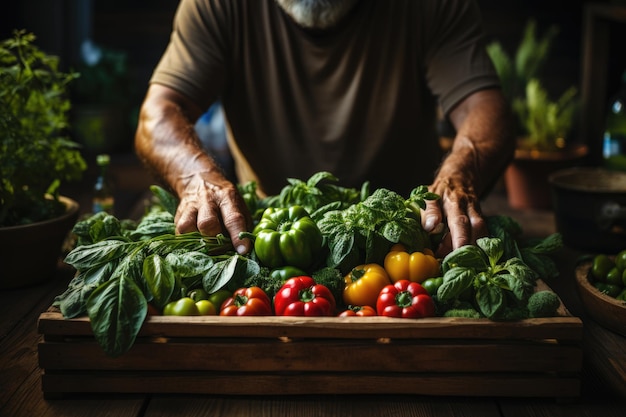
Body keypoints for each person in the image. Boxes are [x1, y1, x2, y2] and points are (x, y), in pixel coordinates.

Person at [135, 0, 515, 257]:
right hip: (265, 237)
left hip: (411, 239)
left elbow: (484, 109)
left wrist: (459, 173)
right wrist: (197, 177)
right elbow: (160, 112)